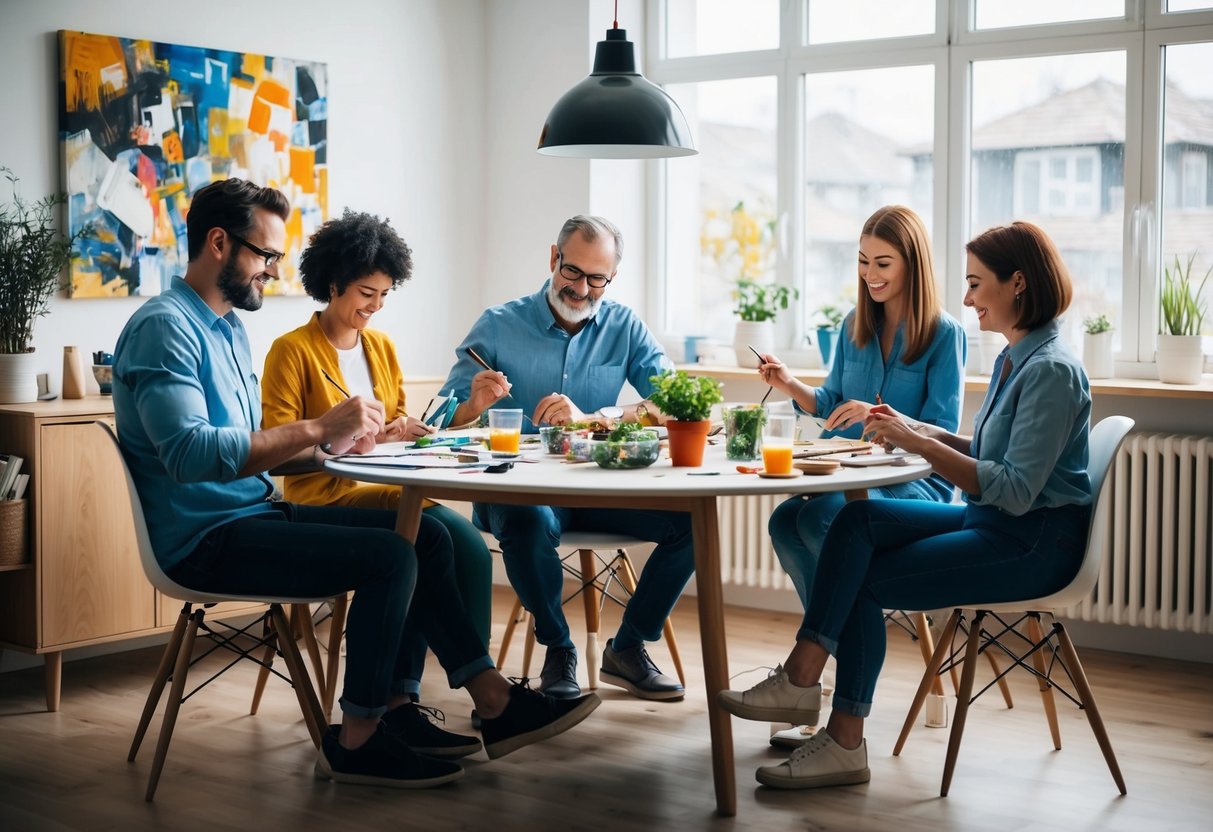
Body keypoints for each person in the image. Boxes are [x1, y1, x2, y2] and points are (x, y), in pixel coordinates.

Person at [112, 179, 599, 790]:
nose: (272, 270)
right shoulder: (166, 328)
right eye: (266, 255)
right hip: (204, 539)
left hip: (250, 513)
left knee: (426, 539)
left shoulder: (225, 327)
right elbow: (190, 456)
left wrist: (332, 445)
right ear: (218, 243)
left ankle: (486, 702)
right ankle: (362, 740)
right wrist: (320, 425)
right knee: (392, 555)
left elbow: (256, 460)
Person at [720, 221, 1093, 790]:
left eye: (975, 283)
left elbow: (1014, 488)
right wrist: (913, 426)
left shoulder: (1050, 370)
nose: (966, 298)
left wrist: (919, 441)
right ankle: (805, 681)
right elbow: (992, 455)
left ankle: (836, 728)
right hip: (996, 521)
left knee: (861, 573)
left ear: (1017, 283)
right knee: (855, 520)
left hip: (1030, 541)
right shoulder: (1018, 358)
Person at [261, 210, 493, 739]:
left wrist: (397, 431)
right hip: (321, 497)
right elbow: (278, 451)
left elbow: (389, 429)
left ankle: (405, 695)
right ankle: (424, 694)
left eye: (385, 294)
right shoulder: (291, 352)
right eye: (367, 292)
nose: (375, 305)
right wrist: (335, 436)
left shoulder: (381, 347)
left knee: (462, 548)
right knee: (445, 541)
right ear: (334, 282)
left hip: (384, 487)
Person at [440, 215, 691, 702]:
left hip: (601, 487)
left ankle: (630, 645)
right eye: (573, 272)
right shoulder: (497, 324)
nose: (582, 290)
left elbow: (678, 402)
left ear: (611, 278)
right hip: (517, 491)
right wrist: (472, 406)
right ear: (553, 258)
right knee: (527, 519)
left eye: (597, 278)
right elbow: (442, 423)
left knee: (694, 522)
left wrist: (598, 416)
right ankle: (558, 648)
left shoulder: (624, 327)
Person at [754, 205, 965, 745]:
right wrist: (788, 383)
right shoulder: (854, 327)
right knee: (785, 522)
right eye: (864, 262)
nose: (871, 274)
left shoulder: (945, 335)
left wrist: (883, 419)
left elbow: (942, 430)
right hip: (851, 471)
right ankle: (835, 651)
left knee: (825, 515)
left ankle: (826, 669)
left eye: (884, 263)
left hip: (918, 481)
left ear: (912, 266)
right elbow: (829, 406)